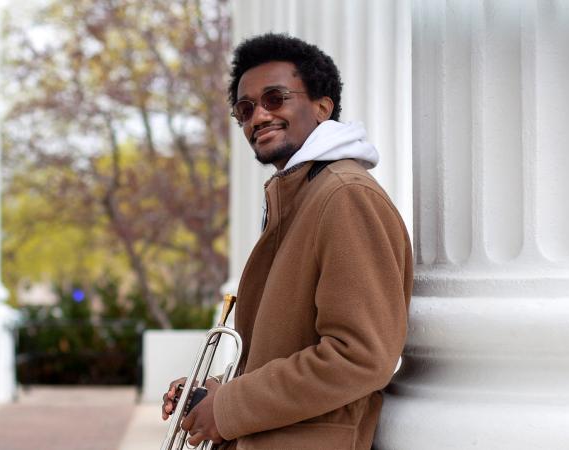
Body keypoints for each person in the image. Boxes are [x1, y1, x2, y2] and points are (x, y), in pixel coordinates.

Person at [162, 33, 413, 450]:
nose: (258, 116)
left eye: (275, 98)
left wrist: (230, 407)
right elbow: (290, 348)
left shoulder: (344, 195)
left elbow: (360, 355)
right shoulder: (302, 196)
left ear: (322, 106)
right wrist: (214, 392)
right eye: (244, 109)